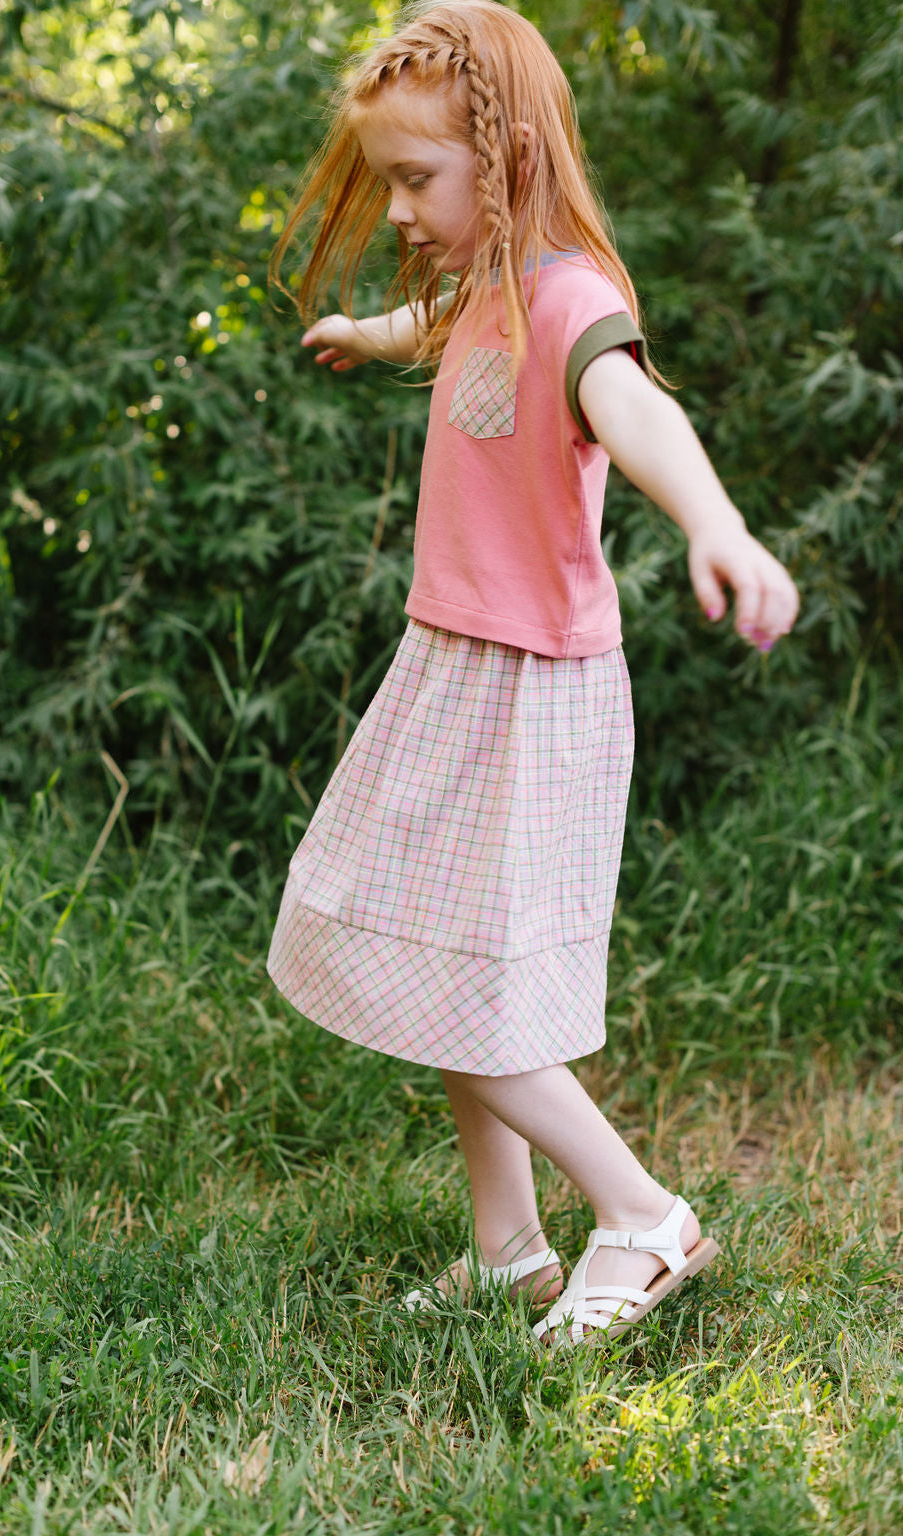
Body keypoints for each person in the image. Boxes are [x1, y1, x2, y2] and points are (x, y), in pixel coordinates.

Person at [266, 0, 799, 1347]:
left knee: (475, 975)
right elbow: (442, 327)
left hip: (530, 689)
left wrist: (717, 524)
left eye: (413, 178)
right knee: (425, 943)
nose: (394, 206)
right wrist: (373, 334)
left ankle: (642, 1216)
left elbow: (635, 408)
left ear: (503, 167)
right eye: (388, 179)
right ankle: (508, 1250)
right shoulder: (486, 292)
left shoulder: (570, 300)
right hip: (449, 664)